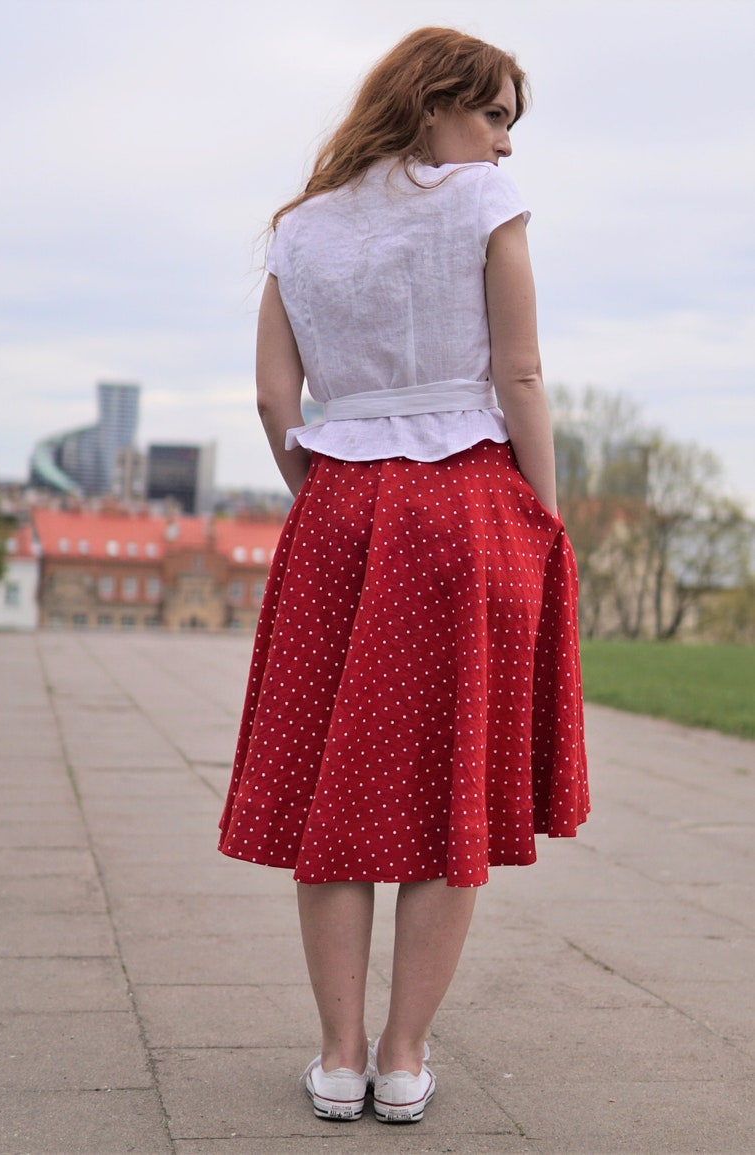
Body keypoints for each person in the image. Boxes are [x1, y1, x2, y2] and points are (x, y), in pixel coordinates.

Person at [218, 26, 588, 1124]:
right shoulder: (479, 208)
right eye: (495, 117)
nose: (503, 146)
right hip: (465, 501)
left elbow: (274, 402)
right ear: (436, 104)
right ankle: (401, 1057)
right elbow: (517, 368)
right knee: (446, 785)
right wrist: (542, 515)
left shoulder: (300, 229)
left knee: (338, 780)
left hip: (338, 505)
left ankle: (334, 1060)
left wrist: (325, 496)